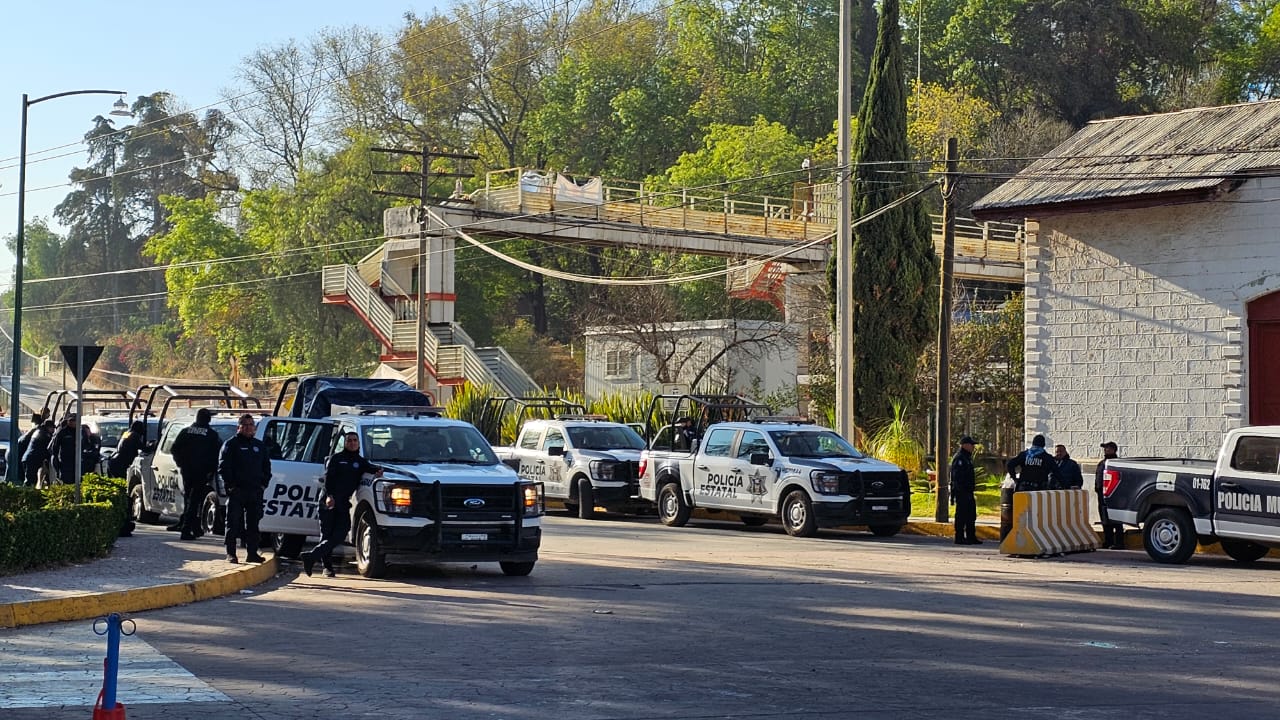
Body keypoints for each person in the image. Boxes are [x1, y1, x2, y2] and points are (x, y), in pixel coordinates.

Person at [303, 431, 383, 578]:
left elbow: (372, 468)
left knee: (341, 533)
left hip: (343, 503)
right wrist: (329, 496)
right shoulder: (336, 459)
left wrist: (379, 471)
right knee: (327, 534)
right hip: (329, 501)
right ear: (344, 443)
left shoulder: (360, 461)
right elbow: (328, 479)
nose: (352, 443)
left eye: (354, 440)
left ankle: (311, 556)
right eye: (349, 441)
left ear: (358, 443)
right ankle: (327, 568)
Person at [217, 414, 271, 564]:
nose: (248, 428)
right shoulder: (231, 444)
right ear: (239, 427)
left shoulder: (259, 446)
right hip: (237, 492)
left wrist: (263, 484)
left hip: (255, 492)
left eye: (251, 425)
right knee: (233, 523)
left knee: (253, 524)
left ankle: (252, 553)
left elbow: (267, 467)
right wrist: (231, 486)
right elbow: (223, 467)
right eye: (245, 425)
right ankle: (231, 553)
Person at [171, 409, 224, 541]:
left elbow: (174, 449)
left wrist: (181, 463)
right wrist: (211, 469)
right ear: (208, 420)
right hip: (201, 472)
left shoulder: (186, 431)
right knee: (195, 501)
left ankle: (194, 527)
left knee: (190, 499)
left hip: (187, 471)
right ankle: (186, 529)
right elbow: (219, 453)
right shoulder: (212, 435)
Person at [950, 436, 981, 545]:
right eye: (971, 445)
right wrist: (961, 491)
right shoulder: (959, 458)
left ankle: (971, 536)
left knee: (971, 515)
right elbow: (957, 477)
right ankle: (959, 537)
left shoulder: (967, 458)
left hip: (968, 491)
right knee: (961, 515)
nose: (973, 447)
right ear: (964, 445)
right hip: (962, 491)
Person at [48, 414, 94, 484]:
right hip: (66, 463)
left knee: (79, 483)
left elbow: (87, 445)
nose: (72, 422)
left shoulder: (82, 432)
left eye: (74, 420)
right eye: (70, 420)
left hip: (79, 462)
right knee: (67, 483)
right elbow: (54, 448)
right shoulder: (62, 432)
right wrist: (57, 464)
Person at [1095, 441, 1125, 549]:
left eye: (1107, 448)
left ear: (1113, 450)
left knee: (1116, 520)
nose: (1105, 450)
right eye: (1105, 448)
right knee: (1105, 520)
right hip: (1102, 495)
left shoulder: (1116, 463)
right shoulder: (1102, 463)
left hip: (1114, 496)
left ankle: (1119, 543)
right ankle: (1108, 541)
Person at [22, 420, 55, 487]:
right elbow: (48, 449)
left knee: (31, 480)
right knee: (30, 481)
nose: (53, 430)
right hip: (32, 459)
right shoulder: (44, 435)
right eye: (52, 428)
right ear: (48, 427)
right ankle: (26, 495)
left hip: (29, 458)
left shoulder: (39, 431)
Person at [15, 413, 42, 482]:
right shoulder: (37, 430)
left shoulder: (33, 430)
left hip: (18, 451)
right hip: (20, 452)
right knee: (21, 476)